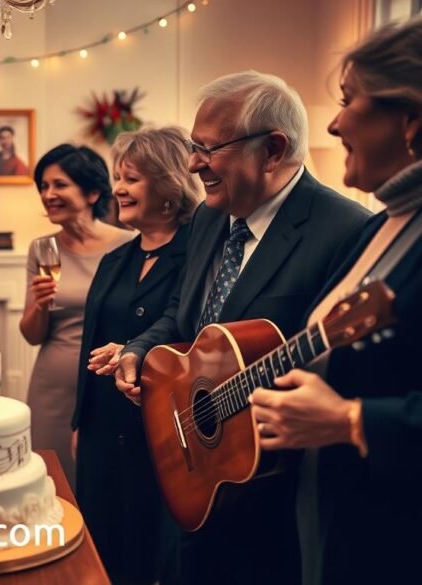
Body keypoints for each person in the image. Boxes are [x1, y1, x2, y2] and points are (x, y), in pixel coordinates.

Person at [112, 71, 371, 585]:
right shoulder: (211, 217)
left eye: (208, 148)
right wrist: (141, 349)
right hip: (196, 468)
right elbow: (183, 312)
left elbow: (347, 373)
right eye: (192, 146)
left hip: (271, 497)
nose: (192, 164)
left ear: (272, 151)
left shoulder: (345, 231)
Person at [248, 19, 422, 584]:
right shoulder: (380, 227)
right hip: (332, 517)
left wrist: (351, 419)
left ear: (410, 119)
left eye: (349, 101)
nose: (332, 122)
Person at [71, 127, 199, 585]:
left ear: (168, 186)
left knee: (153, 550)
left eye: (132, 179)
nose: (118, 189)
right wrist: (80, 424)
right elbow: (90, 344)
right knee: (103, 546)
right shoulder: (115, 260)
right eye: (117, 178)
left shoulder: (197, 255)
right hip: (103, 427)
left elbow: (182, 324)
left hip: (162, 425)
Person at [19, 144, 133, 493]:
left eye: (59, 185)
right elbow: (32, 335)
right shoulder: (42, 249)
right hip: (51, 390)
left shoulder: (128, 245)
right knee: (53, 488)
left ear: (93, 191)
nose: (47, 194)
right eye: (43, 186)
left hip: (108, 386)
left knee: (105, 489)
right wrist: (39, 306)